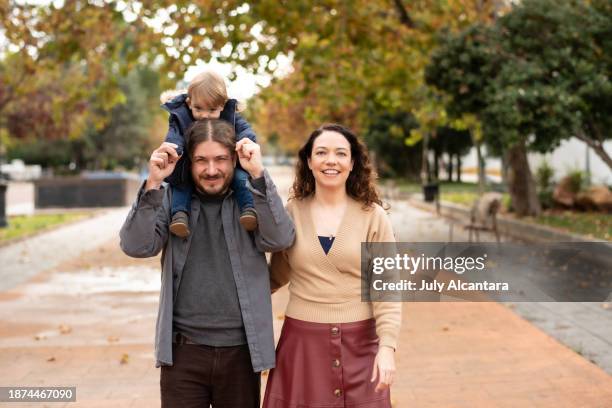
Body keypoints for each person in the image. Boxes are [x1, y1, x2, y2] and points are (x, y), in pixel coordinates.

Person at [120, 119, 295, 407]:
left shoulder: (250, 200)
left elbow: (279, 240)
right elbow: (136, 246)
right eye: (201, 160)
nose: (211, 170)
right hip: (182, 353)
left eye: (220, 160)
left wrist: (258, 174)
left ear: (234, 159)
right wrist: (153, 183)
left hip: (241, 352)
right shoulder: (174, 203)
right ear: (189, 162)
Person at [264, 124, 402, 408]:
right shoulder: (291, 214)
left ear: (352, 163)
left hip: (361, 344)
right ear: (309, 161)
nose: (331, 160)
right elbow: (273, 277)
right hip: (301, 346)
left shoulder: (373, 217)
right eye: (321, 152)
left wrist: (387, 346)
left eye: (341, 153)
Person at [161, 70, 258, 237]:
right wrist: (175, 149)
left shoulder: (232, 116)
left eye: (212, 110)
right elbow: (173, 135)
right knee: (181, 185)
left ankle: (248, 209)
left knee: (240, 178)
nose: (205, 116)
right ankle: (179, 215)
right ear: (189, 103)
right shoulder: (179, 116)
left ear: (222, 105)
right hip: (187, 163)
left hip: (225, 165)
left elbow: (245, 131)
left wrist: (245, 142)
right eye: (199, 108)